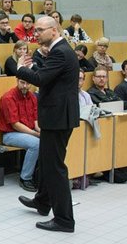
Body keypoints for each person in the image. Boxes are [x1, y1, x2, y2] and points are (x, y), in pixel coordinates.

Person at [15, 16, 79, 233]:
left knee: (55, 168)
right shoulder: (61, 50)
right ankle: (43, 201)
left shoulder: (60, 51)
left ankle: (64, 220)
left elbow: (40, 79)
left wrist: (20, 68)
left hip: (57, 118)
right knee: (47, 160)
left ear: (53, 30)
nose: (36, 34)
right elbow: (49, 76)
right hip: (58, 116)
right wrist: (33, 66)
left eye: (40, 30)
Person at [0, 78, 40, 191]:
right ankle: (25, 178)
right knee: (36, 144)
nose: (25, 86)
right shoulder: (8, 98)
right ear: (17, 81)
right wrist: (35, 134)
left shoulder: (32, 96)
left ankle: (41, 177)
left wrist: (40, 131)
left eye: (28, 83)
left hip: (28, 132)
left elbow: (35, 120)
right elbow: (15, 125)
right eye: (22, 82)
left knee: (49, 138)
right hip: (10, 134)